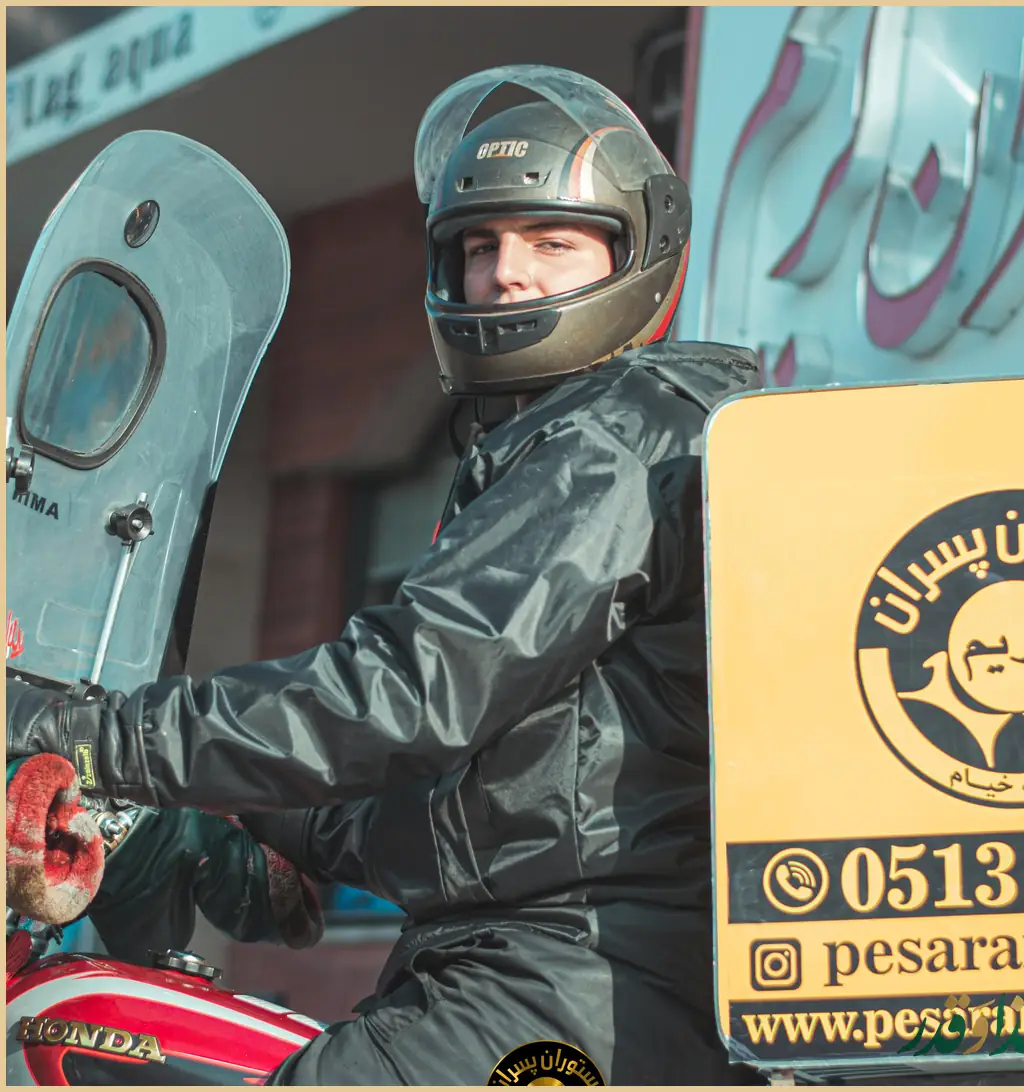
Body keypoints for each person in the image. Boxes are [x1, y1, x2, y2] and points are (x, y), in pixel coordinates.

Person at [7, 64, 762, 1085]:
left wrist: (84, 736)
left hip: (578, 978)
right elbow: (491, 805)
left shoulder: (612, 440)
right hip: (539, 963)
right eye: (480, 247)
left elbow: (407, 692)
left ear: (637, 252)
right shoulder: (574, 443)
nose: (508, 275)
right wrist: (261, 818)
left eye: (553, 241)